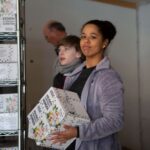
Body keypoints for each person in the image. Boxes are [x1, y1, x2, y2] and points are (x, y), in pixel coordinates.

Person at [50, 20, 124, 150]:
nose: (86, 41)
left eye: (93, 37)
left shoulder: (108, 77)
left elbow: (115, 121)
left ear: (104, 43)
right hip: (70, 145)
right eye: (83, 36)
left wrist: (78, 132)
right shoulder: (74, 74)